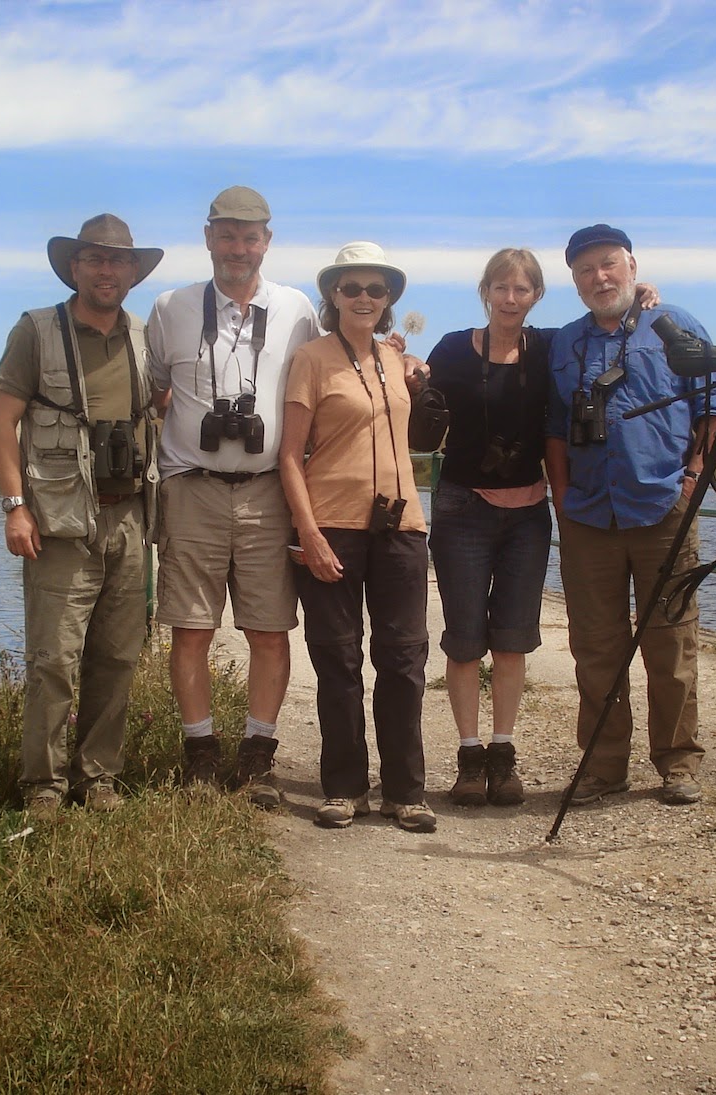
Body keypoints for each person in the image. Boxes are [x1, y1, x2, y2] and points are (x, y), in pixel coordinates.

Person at [146, 186, 320, 806]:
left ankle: (257, 756)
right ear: (208, 237)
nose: (238, 248)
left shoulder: (297, 309)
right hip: (191, 488)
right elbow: (155, 391)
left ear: (267, 242)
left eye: (250, 237)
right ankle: (199, 752)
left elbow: (329, 370)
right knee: (190, 629)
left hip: (269, 491)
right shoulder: (171, 308)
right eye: (227, 234)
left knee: (269, 630)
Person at [0, 214, 163, 816]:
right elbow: (1, 419)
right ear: (73, 267)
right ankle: (44, 782)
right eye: (94, 258)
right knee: (54, 657)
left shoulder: (143, 336)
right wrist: (16, 507)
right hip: (59, 520)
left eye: (117, 260)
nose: (106, 270)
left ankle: (99, 777)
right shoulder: (36, 330)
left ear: (134, 272)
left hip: (130, 518)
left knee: (117, 655)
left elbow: (161, 403)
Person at [544, 224, 716, 807]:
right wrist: (563, 497)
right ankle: (603, 767)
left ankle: (677, 763)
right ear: (573, 281)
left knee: (671, 643)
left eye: (609, 264)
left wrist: (693, 478)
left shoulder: (674, 325)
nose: (600, 277)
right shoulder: (563, 343)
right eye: (586, 270)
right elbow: (552, 431)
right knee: (596, 648)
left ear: (631, 265)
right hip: (588, 513)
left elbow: (712, 412)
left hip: (663, 506)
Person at [279, 242, 436, 833]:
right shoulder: (312, 359)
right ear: (333, 296)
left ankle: (405, 790)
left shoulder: (398, 361)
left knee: (403, 659)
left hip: (401, 526)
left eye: (376, 289)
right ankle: (344, 786)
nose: (364, 298)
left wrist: (417, 368)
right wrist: (308, 532)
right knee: (338, 659)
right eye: (352, 288)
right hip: (334, 525)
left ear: (390, 298)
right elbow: (290, 456)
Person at [423, 249, 551, 808]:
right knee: (466, 637)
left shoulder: (548, 349)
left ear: (536, 297)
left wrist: (645, 301)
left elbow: (606, 327)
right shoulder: (452, 348)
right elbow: (415, 399)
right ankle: (469, 756)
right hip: (463, 508)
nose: (510, 299)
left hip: (527, 513)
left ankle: (504, 753)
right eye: (501, 288)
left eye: (522, 290)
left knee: (514, 638)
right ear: (485, 291)